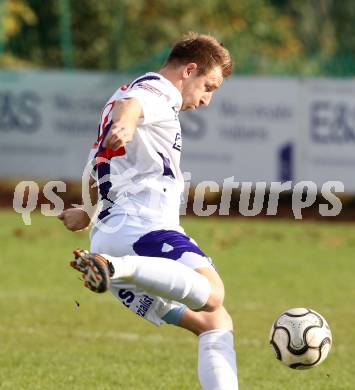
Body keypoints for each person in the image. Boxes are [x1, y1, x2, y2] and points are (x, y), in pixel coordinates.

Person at [59, 32, 238, 390]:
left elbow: (107, 159)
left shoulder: (119, 95)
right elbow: (135, 105)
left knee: (215, 322)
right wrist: (127, 122)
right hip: (142, 233)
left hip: (110, 236)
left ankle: (111, 265)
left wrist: (86, 210)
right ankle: (113, 267)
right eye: (209, 86)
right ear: (189, 69)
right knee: (213, 293)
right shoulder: (158, 89)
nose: (206, 100)